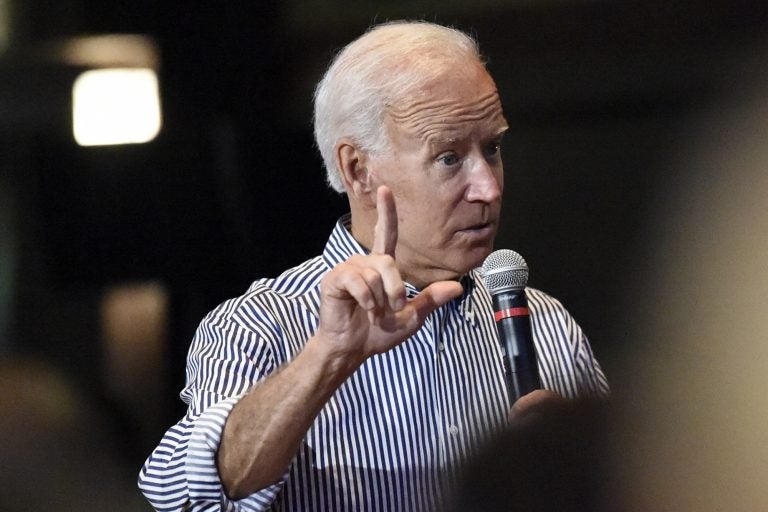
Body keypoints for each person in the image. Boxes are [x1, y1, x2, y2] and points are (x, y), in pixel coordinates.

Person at [139, 20, 609, 512]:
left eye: (491, 148)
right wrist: (328, 356)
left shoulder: (549, 326)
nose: (488, 189)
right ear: (357, 170)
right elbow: (185, 495)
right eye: (449, 158)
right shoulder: (257, 326)